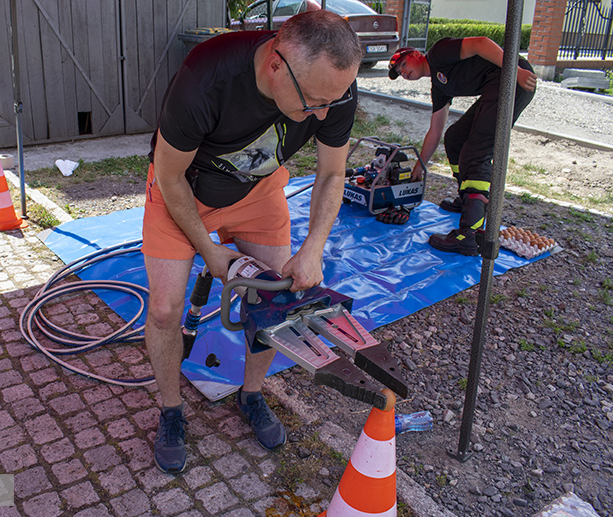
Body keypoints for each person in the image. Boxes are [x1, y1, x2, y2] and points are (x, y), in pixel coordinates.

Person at [141, 10, 362, 473]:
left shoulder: (331, 87)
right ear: (276, 65)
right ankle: (171, 408)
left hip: (258, 191)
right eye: (314, 103)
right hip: (182, 192)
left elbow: (332, 173)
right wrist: (208, 248)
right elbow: (170, 175)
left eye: (332, 102)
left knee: (272, 300)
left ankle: (252, 394)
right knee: (164, 310)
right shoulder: (207, 76)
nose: (323, 114)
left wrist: (313, 248)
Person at [388, 37, 537, 255]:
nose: (404, 72)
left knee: (477, 151)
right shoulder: (438, 86)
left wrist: (514, 71)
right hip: (496, 84)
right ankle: (468, 199)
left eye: (404, 65)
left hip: (514, 78)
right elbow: (435, 130)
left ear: (417, 55)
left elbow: (480, 43)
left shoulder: (438, 53)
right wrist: (419, 166)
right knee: (455, 138)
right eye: (400, 73)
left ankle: (469, 234)